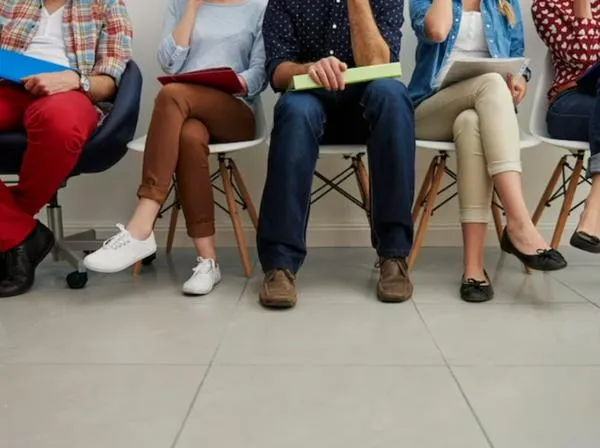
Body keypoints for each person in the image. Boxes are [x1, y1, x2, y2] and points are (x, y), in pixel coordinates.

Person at [84, 0, 267, 296]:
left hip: (235, 110)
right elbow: (169, 63)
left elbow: (260, 74)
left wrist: (227, 83)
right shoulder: (179, 6)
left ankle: (142, 223)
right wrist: (192, 8)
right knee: (188, 137)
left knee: (171, 94)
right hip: (187, 112)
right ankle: (208, 261)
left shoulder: (259, 7)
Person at [257, 0, 416, 309]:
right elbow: (277, 71)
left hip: (367, 110)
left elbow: (379, 65)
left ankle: (393, 255)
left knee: (394, 96)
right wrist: (309, 69)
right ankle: (280, 264)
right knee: (292, 107)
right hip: (310, 101)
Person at [408, 0, 567, 303]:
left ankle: (473, 268)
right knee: (492, 83)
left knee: (471, 123)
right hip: (429, 109)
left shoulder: (503, 2)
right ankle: (519, 222)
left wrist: (520, 80)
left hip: (482, 111)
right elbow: (437, 31)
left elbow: (520, 59)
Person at [0, 0, 132, 298]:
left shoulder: (107, 4)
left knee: (60, 125)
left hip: (70, 91)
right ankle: (22, 233)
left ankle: (14, 227)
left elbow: (111, 81)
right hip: (7, 88)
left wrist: (75, 80)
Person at [532, 0, 600, 253]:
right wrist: (582, 6)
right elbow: (586, 59)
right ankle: (594, 209)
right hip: (568, 104)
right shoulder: (546, 6)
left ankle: (593, 212)